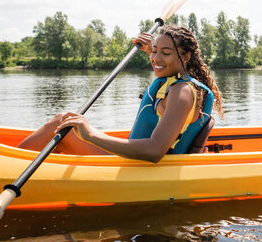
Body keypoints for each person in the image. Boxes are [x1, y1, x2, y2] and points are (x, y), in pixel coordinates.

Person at [18, 24, 224, 162]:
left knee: (60, 124)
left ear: (186, 56)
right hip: (135, 161)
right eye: (154, 51)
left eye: (166, 52)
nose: (156, 58)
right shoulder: (178, 82)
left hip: (139, 166)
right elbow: (162, 60)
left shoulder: (182, 93)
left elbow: (154, 151)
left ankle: (10, 167)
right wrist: (152, 49)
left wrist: (90, 135)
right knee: (65, 119)